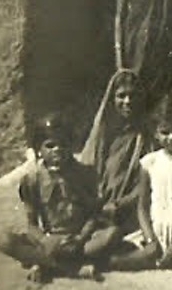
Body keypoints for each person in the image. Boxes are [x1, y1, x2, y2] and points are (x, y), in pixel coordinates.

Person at [0, 116, 121, 284]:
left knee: (112, 233)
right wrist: (45, 240)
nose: (57, 150)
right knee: (4, 239)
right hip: (51, 238)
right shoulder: (32, 179)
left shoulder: (85, 174)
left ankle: (44, 263)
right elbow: (32, 224)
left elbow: (94, 215)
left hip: (80, 239)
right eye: (50, 145)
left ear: (71, 146)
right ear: (38, 149)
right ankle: (72, 269)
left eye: (63, 145)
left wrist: (80, 238)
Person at [108, 112, 172, 271]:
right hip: (156, 229)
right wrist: (150, 238)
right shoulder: (150, 162)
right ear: (155, 134)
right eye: (165, 132)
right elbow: (142, 206)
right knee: (128, 248)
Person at [80, 69, 154, 236]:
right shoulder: (101, 134)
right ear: (112, 99)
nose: (127, 101)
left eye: (133, 96)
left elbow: (150, 183)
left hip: (132, 211)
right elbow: (86, 174)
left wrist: (120, 204)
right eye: (121, 96)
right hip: (98, 209)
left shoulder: (147, 136)